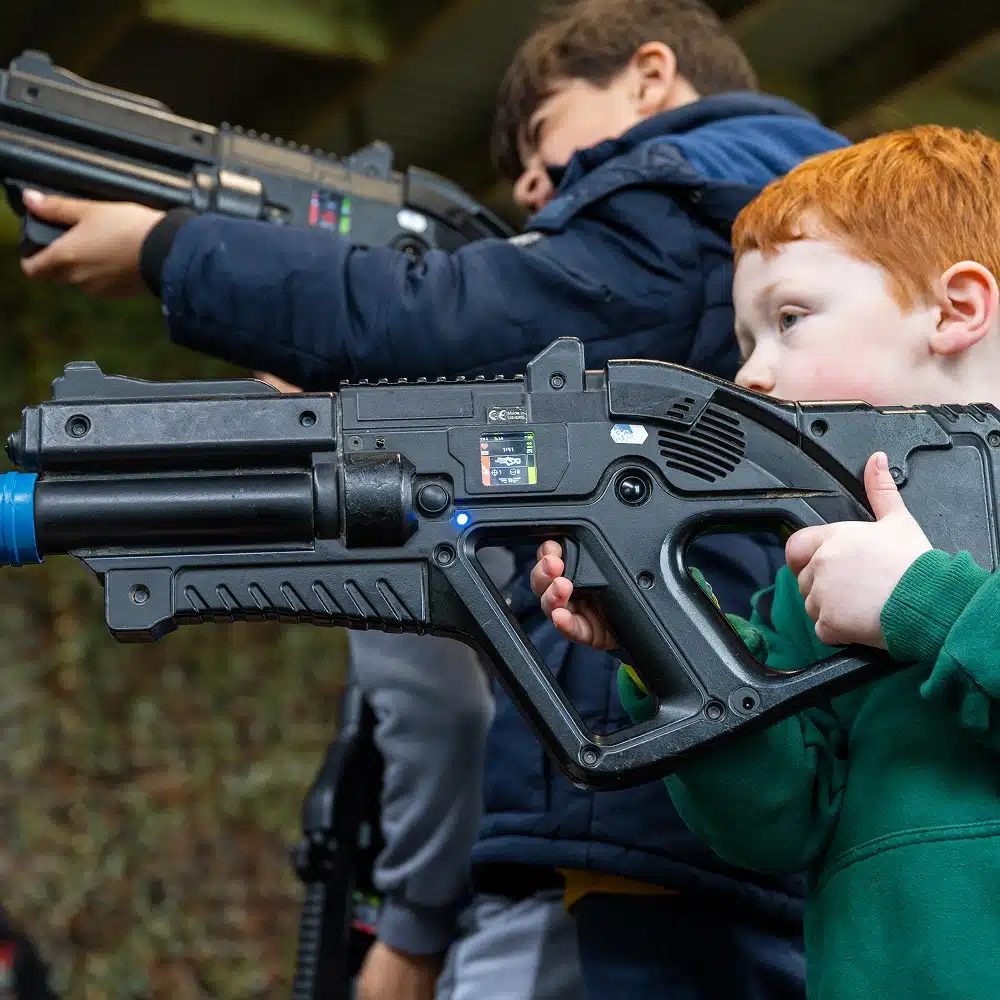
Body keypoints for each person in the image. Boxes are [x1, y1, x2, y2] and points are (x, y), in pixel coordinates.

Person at [18, 2, 847, 996]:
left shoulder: (683, 196)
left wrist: (168, 249)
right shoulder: (786, 224)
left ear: (649, 75)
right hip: (698, 821)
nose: (537, 190)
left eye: (543, 138)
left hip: (656, 841)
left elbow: (443, 318)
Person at [531, 123, 1000, 1000]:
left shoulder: (875, 577)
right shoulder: (817, 564)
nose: (750, 375)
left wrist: (922, 601)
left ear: (955, 309)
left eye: (789, 320)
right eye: (748, 340)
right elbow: (781, 826)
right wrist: (667, 631)